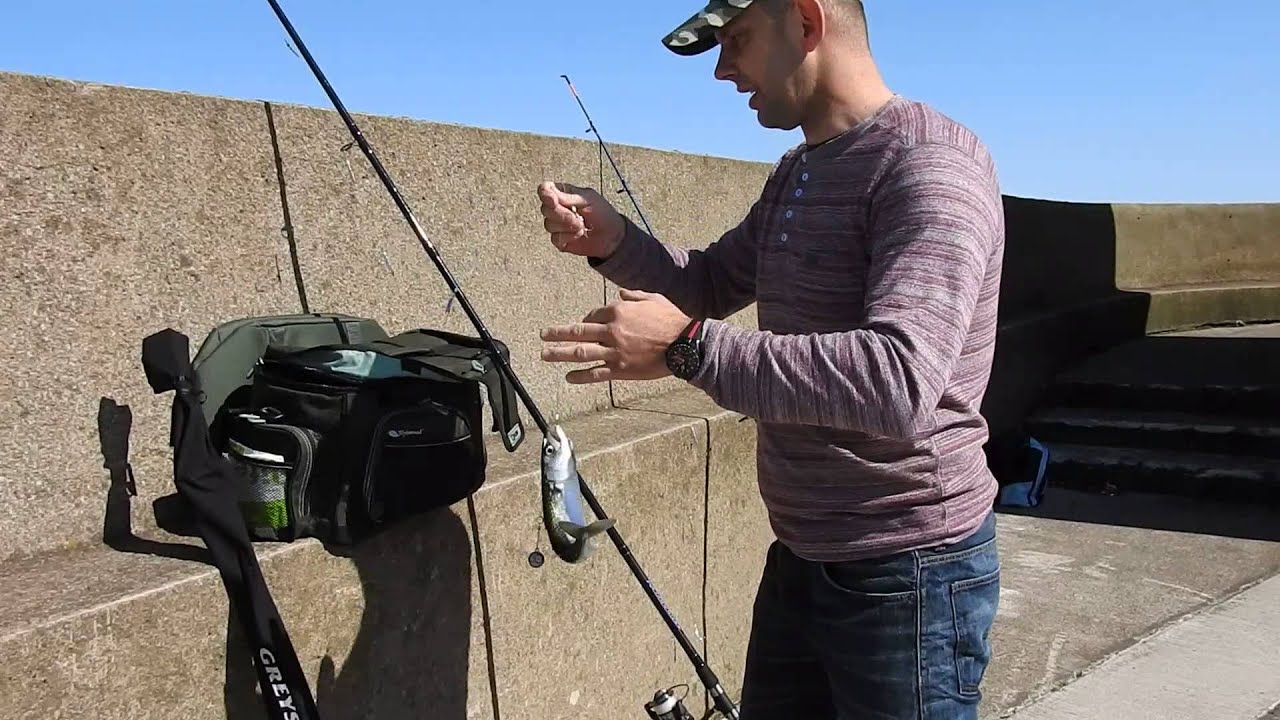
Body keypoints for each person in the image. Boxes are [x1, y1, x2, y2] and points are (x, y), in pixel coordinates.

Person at [536, 0, 1005, 717]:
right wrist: (612, 240)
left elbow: (899, 380)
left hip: (910, 573)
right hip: (801, 556)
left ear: (808, 23)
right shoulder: (801, 171)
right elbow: (713, 282)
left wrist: (687, 348)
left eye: (739, 40)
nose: (724, 68)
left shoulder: (930, 165)